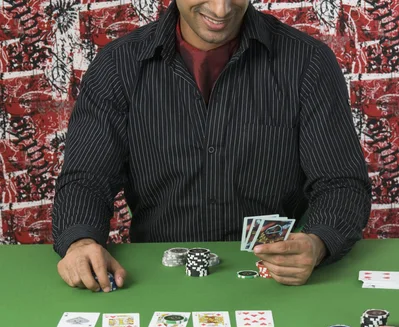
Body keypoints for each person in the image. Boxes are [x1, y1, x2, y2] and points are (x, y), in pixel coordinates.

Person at [52, 0, 372, 291]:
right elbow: (86, 179)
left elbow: (341, 183)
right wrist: (80, 242)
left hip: (274, 280)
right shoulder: (117, 66)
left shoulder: (308, 62)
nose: (221, 10)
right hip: (152, 280)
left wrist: (317, 243)